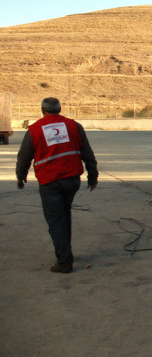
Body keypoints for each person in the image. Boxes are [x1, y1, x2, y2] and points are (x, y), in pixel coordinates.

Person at [16, 97, 98, 273]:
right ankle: (65, 252)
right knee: (64, 215)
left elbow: (24, 157)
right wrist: (93, 175)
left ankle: (64, 261)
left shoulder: (35, 130)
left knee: (56, 220)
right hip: (72, 180)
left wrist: (20, 176)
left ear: (42, 110)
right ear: (60, 109)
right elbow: (87, 153)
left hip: (50, 181)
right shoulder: (74, 126)